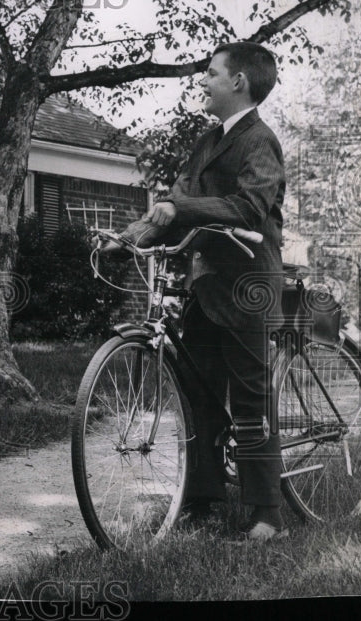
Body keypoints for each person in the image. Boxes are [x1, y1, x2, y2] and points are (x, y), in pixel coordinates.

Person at [116, 41, 286, 541]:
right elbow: (175, 204)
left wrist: (182, 211)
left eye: (211, 73)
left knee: (250, 399)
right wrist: (130, 237)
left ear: (239, 82)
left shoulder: (260, 140)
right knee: (199, 393)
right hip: (207, 284)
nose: (204, 81)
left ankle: (267, 513)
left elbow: (250, 208)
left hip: (247, 284)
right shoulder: (207, 140)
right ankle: (204, 499)